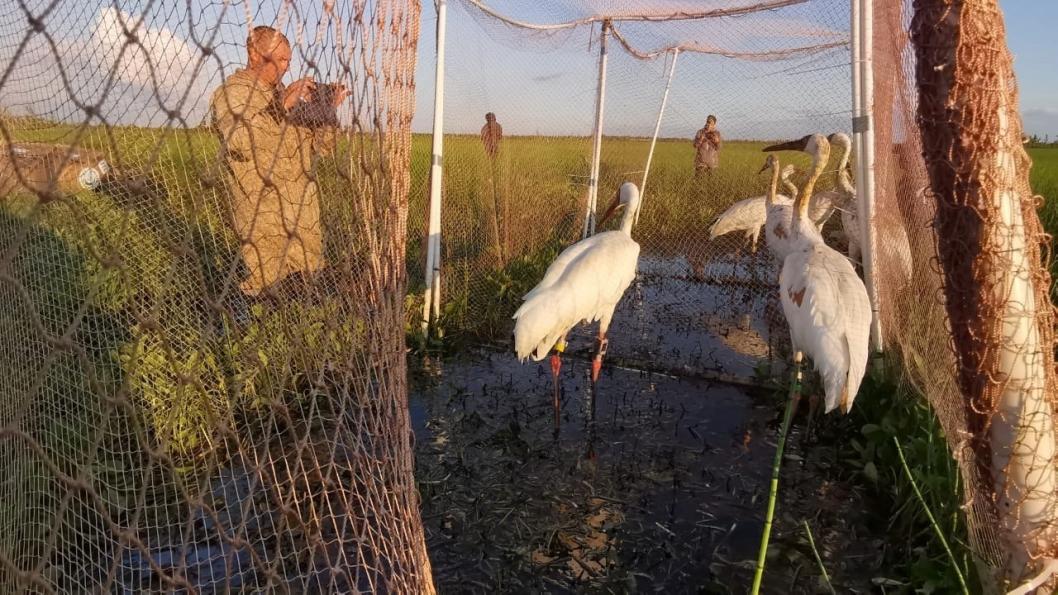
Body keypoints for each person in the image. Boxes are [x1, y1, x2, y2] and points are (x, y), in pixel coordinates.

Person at [209, 25, 348, 298]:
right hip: (265, 218)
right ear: (254, 54)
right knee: (267, 294)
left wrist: (326, 112)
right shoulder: (233, 93)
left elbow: (323, 147)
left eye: (288, 61)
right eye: (280, 59)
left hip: (303, 219)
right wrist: (280, 106)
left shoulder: (287, 94)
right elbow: (238, 140)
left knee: (307, 298)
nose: (285, 67)